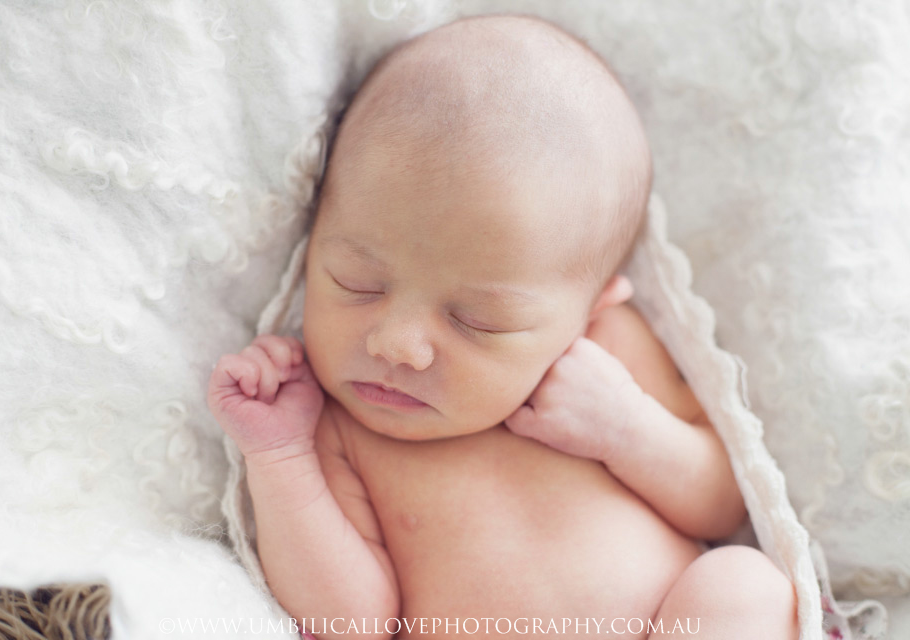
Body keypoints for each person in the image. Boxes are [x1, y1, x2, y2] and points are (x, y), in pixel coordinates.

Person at [208, 13, 798, 639]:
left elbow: (724, 503)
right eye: (358, 285)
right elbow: (350, 622)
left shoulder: (606, 354)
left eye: (477, 321)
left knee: (745, 585)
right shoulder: (336, 425)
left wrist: (629, 430)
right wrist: (279, 457)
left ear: (590, 310)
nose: (396, 346)